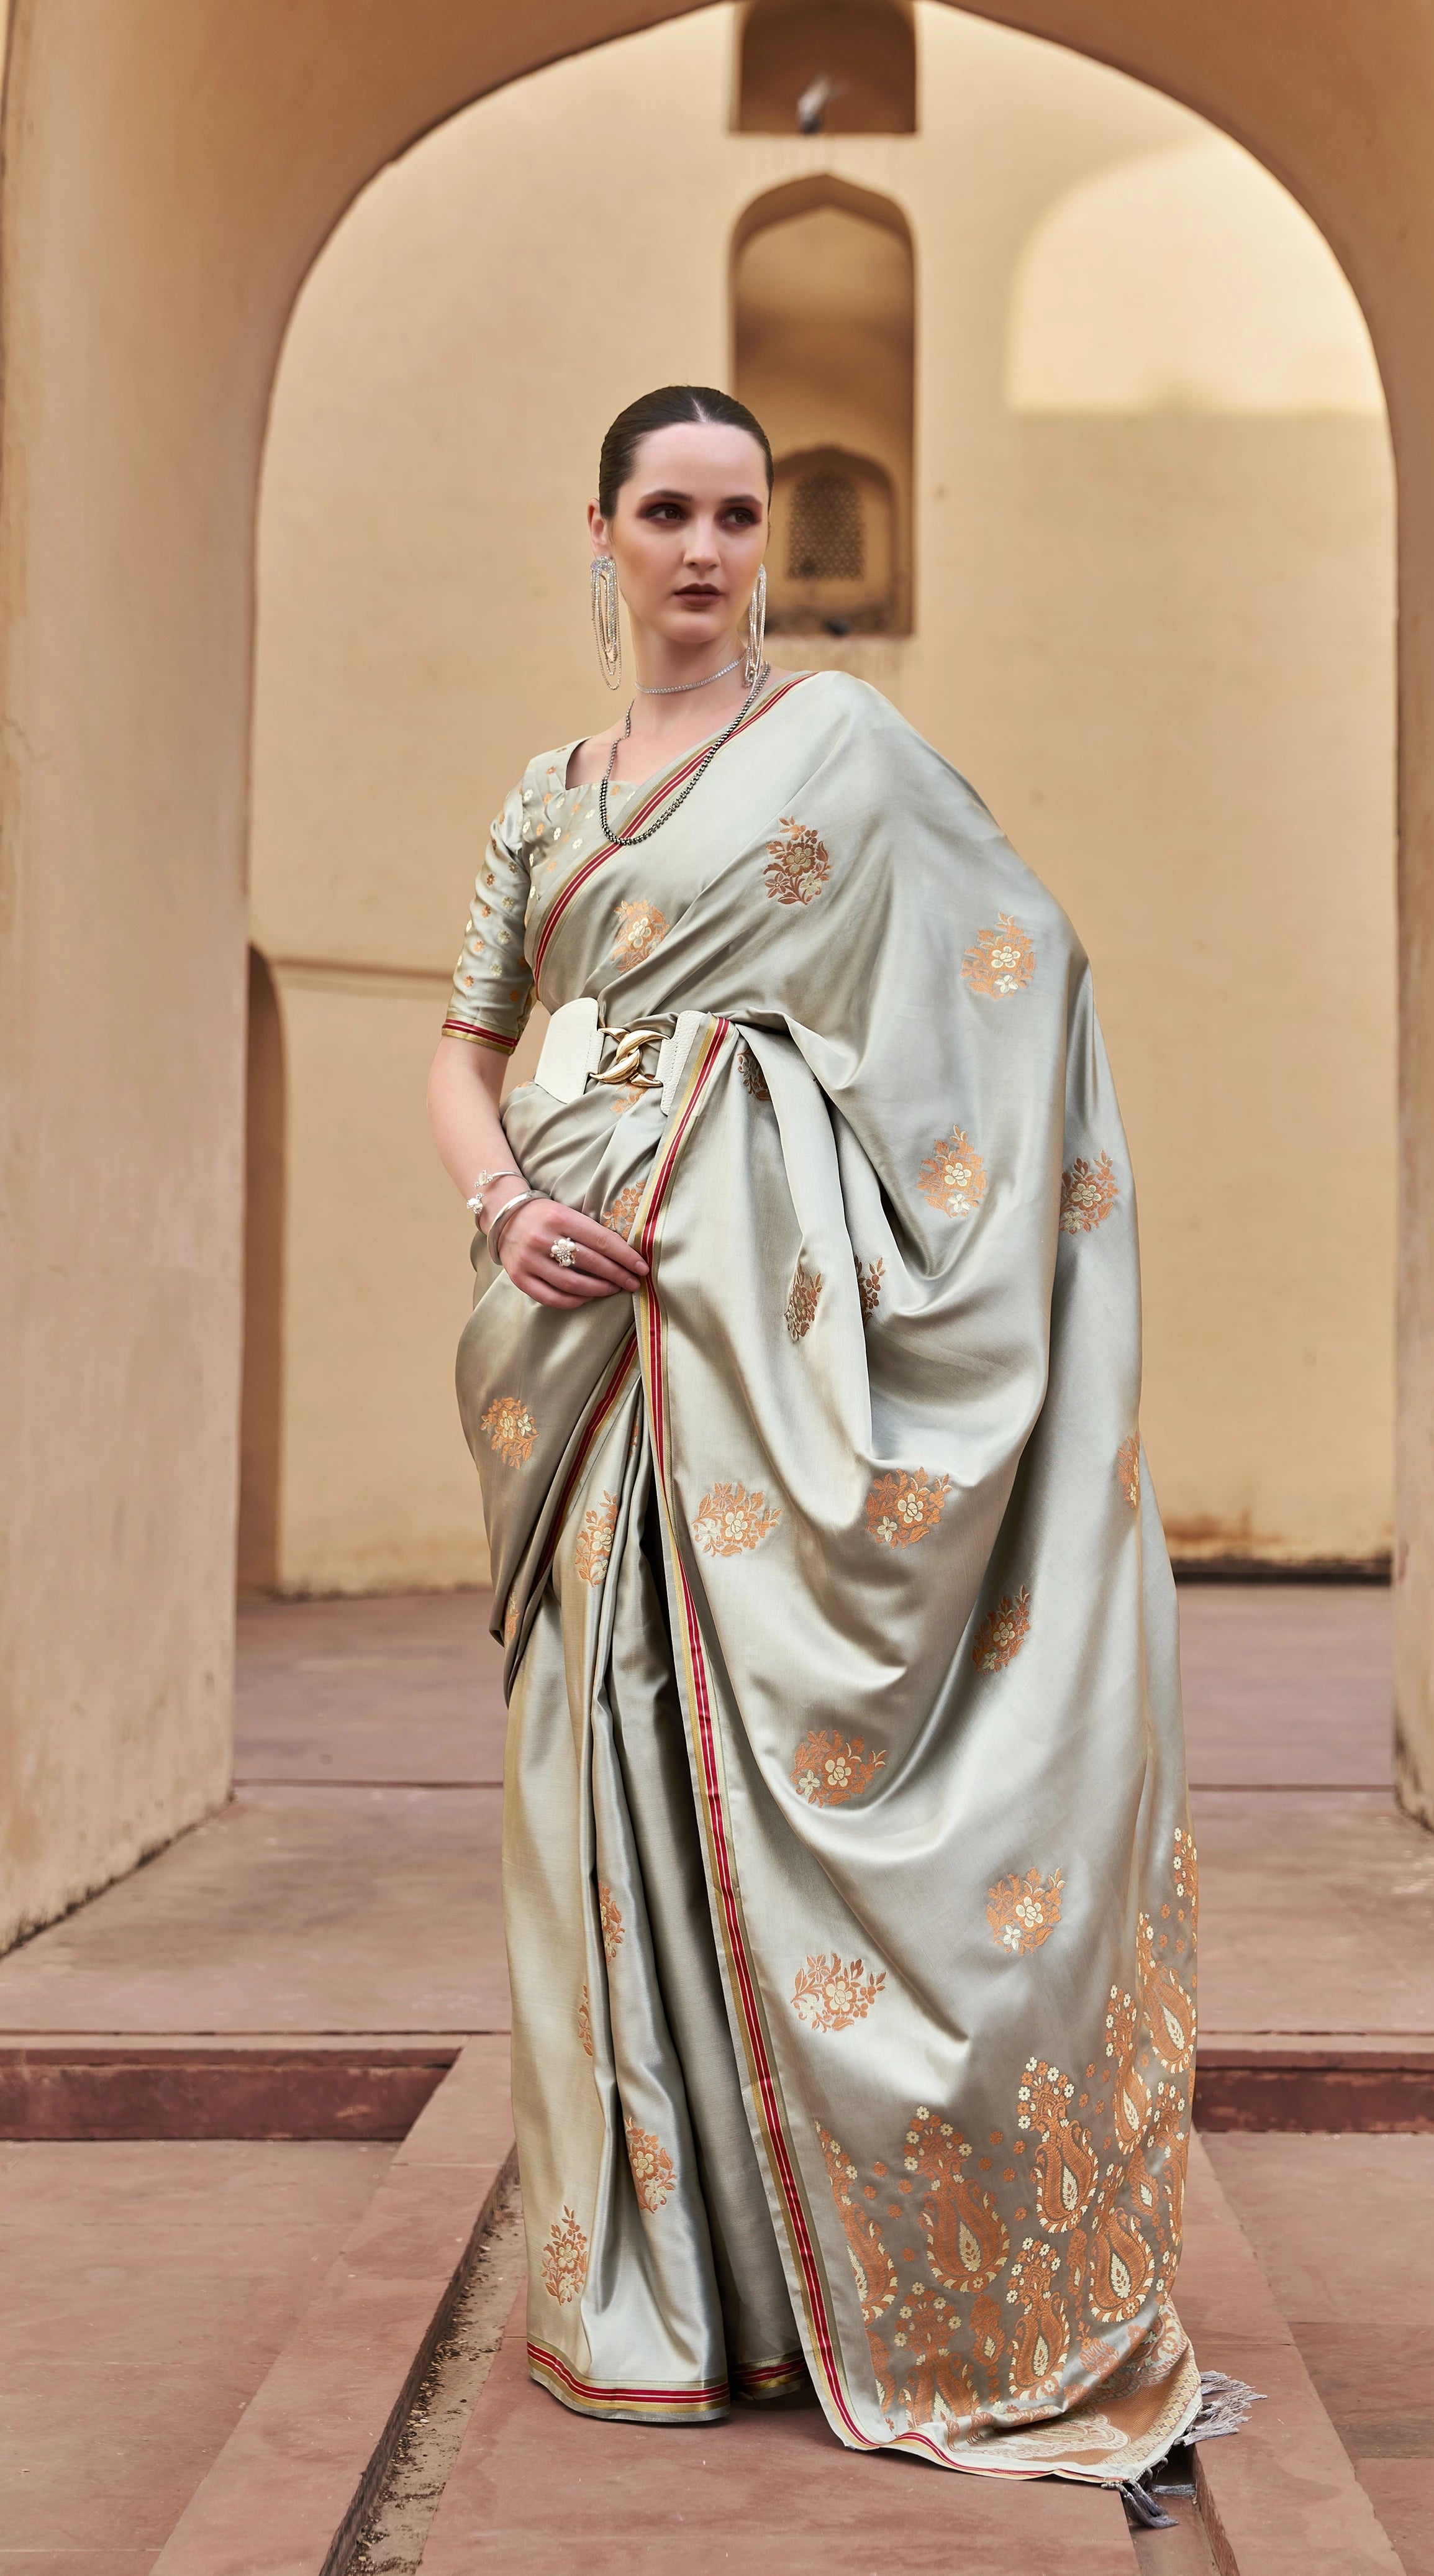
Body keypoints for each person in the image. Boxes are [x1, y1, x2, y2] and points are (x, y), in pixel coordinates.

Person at [427, 384, 1214, 2488]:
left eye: (736, 515)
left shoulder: (846, 754)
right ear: (593, 527)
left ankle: (830, 2278)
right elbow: (464, 1038)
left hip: (756, 1335)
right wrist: (509, 1196)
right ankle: (668, 2296)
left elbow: (1010, 967)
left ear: (768, 539)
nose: (702, 549)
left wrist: (737, 1140)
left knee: (782, 1774)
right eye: (665, 511)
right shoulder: (546, 793)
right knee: (606, 1784)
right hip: (578, 1346)